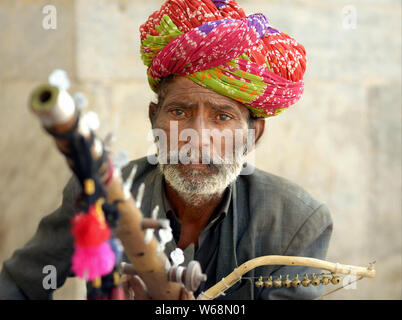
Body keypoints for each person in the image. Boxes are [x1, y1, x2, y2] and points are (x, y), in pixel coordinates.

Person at [0, 0, 332, 300]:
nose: (196, 137)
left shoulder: (296, 222)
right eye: (178, 112)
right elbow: (17, 285)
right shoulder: (95, 190)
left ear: (252, 135)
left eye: (222, 117)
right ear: (153, 119)